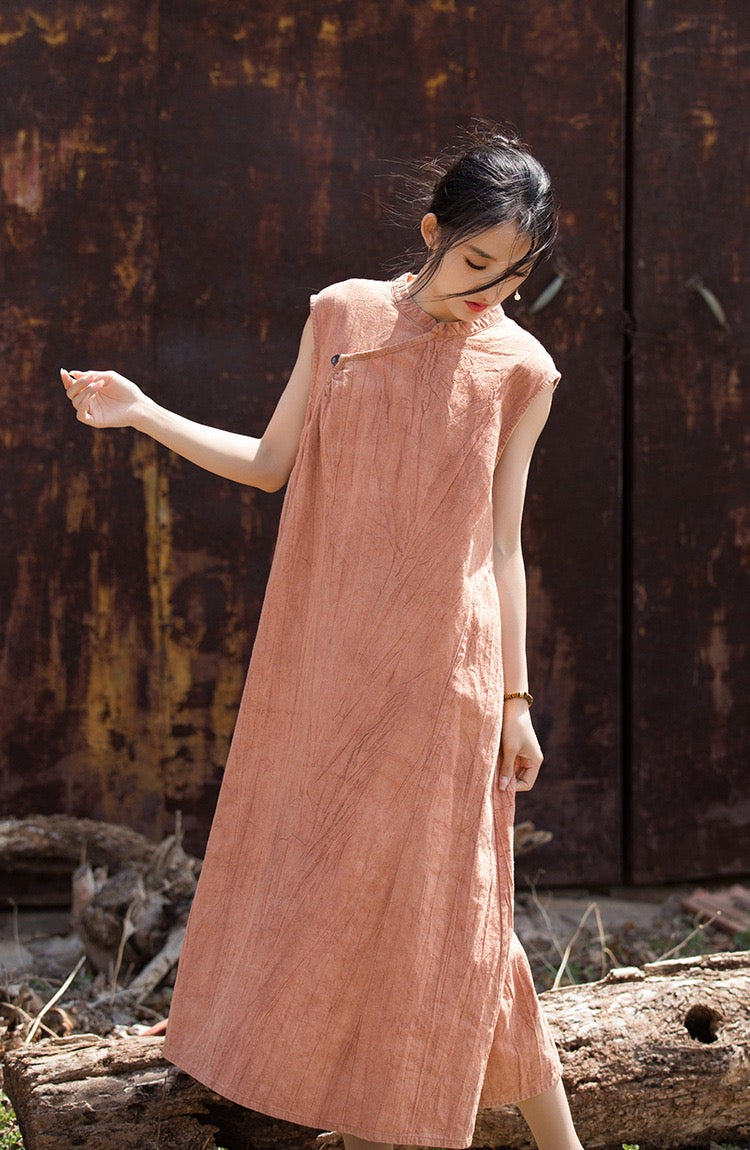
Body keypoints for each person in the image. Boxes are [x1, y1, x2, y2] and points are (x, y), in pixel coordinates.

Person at [61, 125, 584, 1150]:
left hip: (447, 675)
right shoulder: (342, 314)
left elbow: (502, 545)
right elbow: (270, 462)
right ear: (432, 231)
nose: (491, 292)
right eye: (477, 263)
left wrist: (517, 702)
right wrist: (143, 411)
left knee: (457, 903)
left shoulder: (523, 367)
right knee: (348, 881)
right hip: (328, 662)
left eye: (516, 275)